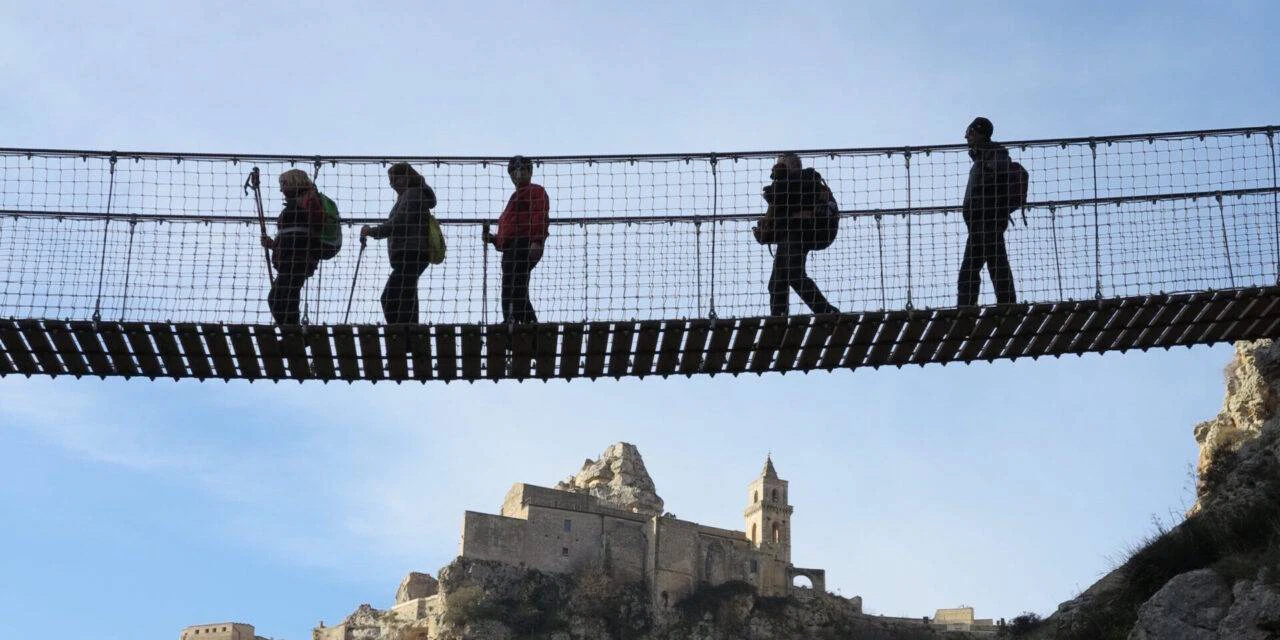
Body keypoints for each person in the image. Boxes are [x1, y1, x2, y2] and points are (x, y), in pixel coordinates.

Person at [755, 153, 839, 316]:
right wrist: (766, 228)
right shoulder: (784, 189)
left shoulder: (806, 180)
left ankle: (826, 312)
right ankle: (779, 320)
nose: (778, 170)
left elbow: (791, 200)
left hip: (806, 231)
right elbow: (780, 216)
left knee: (792, 274)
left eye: (781, 165)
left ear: (792, 167)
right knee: (777, 281)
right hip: (797, 233)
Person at [360, 163, 439, 324]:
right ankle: (409, 337)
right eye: (391, 181)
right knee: (407, 296)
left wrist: (373, 232)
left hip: (411, 253)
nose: (393, 184)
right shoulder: (413, 195)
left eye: (396, 179)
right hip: (412, 253)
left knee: (390, 297)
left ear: (407, 177)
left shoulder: (412, 195)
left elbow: (400, 221)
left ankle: (402, 336)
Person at [958, 116, 1017, 306]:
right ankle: (1007, 305)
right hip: (981, 223)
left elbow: (999, 171)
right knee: (995, 264)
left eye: (969, 132)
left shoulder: (994, 153)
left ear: (978, 132)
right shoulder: (986, 156)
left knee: (974, 271)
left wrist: (986, 164)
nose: (966, 136)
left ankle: (967, 311)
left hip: (987, 220)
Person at [483, 155, 549, 324]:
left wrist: (537, 241)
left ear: (529, 171)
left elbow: (539, 215)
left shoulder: (535, 191)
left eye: (519, 170)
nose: (515, 174)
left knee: (516, 285)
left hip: (523, 243)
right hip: (510, 247)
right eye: (512, 171)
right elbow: (508, 230)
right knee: (510, 285)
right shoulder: (515, 197)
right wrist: (494, 240)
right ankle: (522, 323)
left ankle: (519, 322)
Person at [260, 169, 329, 325]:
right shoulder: (299, 202)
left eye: (283, 184)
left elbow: (312, 226)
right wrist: (272, 245)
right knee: (281, 297)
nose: (281, 189)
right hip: (292, 258)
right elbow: (293, 235)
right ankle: (292, 332)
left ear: (294, 182)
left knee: (282, 297)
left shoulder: (308, 200)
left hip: (297, 259)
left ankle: (292, 332)